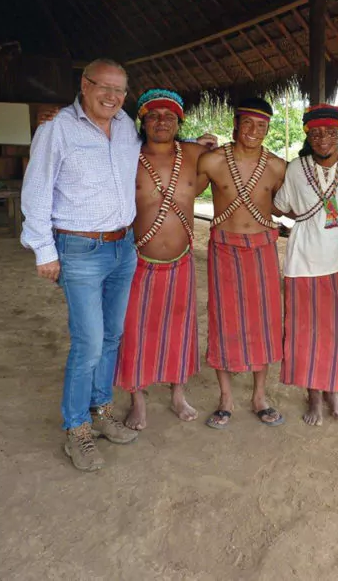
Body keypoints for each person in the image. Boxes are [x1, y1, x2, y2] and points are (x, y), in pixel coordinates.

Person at [21, 58, 140, 472]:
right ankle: (77, 430)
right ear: (84, 85)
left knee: (111, 336)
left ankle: (102, 411)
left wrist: (204, 141)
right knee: (89, 341)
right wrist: (44, 250)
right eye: (103, 87)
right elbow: (36, 190)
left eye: (119, 90)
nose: (111, 96)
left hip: (123, 247)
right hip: (79, 250)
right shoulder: (56, 129)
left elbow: (159, 146)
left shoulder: (126, 127)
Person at [113, 89, 217, 430]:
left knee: (179, 327)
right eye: (154, 115)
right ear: (142, 120)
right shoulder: (126, 154)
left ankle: (177, 394)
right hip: (137, 260)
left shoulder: (194, 154)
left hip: (181, 261)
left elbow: (208, 180)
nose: (161, 122)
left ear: (179, 121)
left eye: (169, 116)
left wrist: (213, 146)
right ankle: (138, 399)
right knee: (135, 329)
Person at [272, 104, 338, 426]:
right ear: (307, 135)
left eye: (329, 131)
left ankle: (332, 391)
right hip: (301, 262)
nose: (322, 137)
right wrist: (308, 218)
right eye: (315, 132)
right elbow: (282, 205)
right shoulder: (297, 168)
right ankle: (312, 395)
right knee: (303, 334)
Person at [197, 98, 287, 429]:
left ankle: (259, 396)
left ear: (268, 129)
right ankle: (225, 399)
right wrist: (193, 148)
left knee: (264, 321)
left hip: (263, 249)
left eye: (261, 125)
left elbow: (287, 206)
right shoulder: (212, 160)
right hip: (224, 248)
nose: (253, 131)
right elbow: (182, 188)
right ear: (235, 124)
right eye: (247, 123)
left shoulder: (277, 166)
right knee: (224, 318)